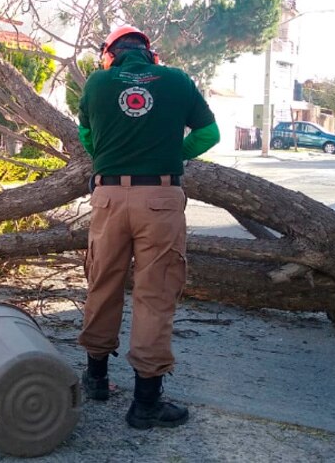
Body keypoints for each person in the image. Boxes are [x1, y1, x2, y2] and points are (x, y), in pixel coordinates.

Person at [77, 25, 220, 429]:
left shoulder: (97, 83)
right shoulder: (176, 79)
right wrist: (172, 153)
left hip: (107, 198)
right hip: (159, 199)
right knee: (155, 293)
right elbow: (210, 133)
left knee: (102, 283)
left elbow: (86, 135)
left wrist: (109, 157)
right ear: (150, 53)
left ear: (110, 54)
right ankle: (145, 403)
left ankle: (97, 379)